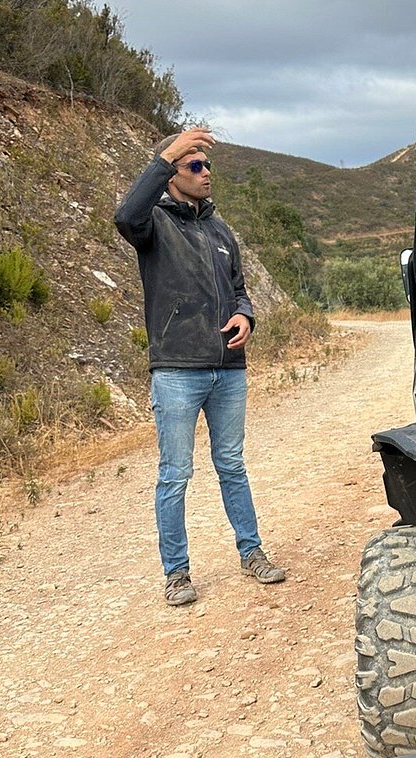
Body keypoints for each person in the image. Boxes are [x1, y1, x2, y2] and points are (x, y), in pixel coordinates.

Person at [114, 127, 285, 606]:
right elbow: (125, 215)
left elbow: (241, 288)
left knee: (231, 464)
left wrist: (244, 314)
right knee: (175, 474)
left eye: (207, 165)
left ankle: (252, 554)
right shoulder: (152, 224)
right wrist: (167, 154)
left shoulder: (219, 230)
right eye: (194, 165)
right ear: (172, 176)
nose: (205, 172)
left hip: (228, 370)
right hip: (176, 370)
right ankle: (176, 574)